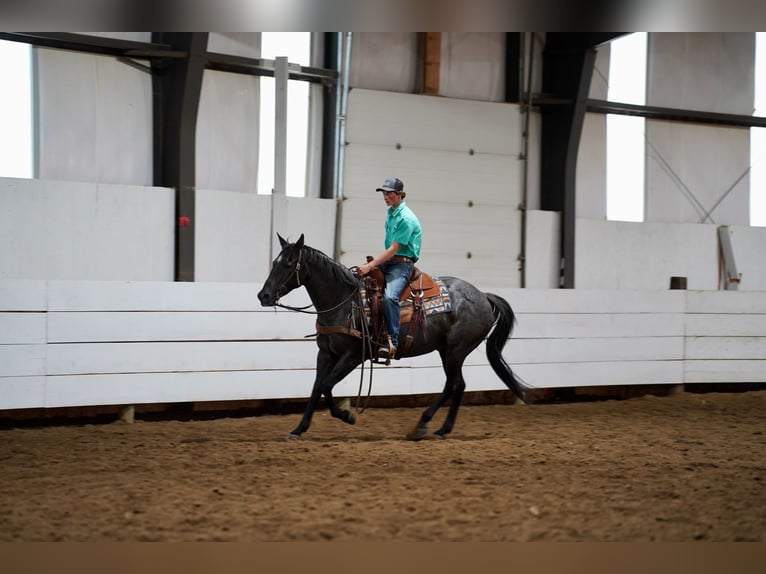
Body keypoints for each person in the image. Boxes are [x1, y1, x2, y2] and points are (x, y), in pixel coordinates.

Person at [357, 177, 422, 360]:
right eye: (384, 193)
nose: (386, 197)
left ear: (400, 194)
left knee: (389, 296)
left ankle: (392, 341)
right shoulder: (391, 213)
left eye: (390, 193)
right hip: (390, 262)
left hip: (402, 264)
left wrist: (371, 265)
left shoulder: (406, 218)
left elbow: (394, 248)